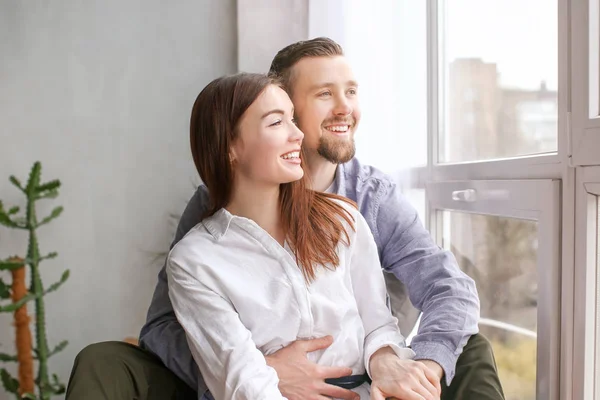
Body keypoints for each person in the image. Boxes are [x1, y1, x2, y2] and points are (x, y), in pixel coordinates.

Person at [66, 37, 505, 400]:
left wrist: (411, 364)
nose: (344, 109)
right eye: (323, 94)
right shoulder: (206, 227)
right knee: (104, 359)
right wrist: (264, 372)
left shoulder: (360, 204)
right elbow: (163, 327)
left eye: (351, 92)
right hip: (237, 374)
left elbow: (437, 293)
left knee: (469, 350)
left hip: (365, 372)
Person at [168, 71, 446, 400]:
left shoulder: (342, 220)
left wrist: (386, 360)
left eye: (293, 120)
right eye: (276, 123)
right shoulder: (195, 261)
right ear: (230, 146)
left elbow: (378, 324)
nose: (297, 134)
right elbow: (242, 383)